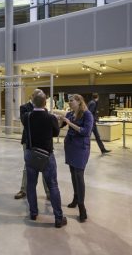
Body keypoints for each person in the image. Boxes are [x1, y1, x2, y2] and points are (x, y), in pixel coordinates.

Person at [23, 91, 67, 228]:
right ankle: (58, 218)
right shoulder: (51, 118)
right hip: (47, 155)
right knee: (53, 185)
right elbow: (55, 133)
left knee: (31, 185)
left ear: (33, 102)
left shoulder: (27, 116)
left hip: (31, 154)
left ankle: (33, 213)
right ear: (45, 103)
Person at [61, 94, 93, 223]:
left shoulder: (87, 114)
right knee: (73, 174)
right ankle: (75, 198)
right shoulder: (69, 114)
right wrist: (58, 119)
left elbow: (86, 132)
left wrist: (70, 123)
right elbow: (60, 126)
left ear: (79, 102)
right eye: (69, 101)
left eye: (71, 101)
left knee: (79, 175)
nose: (69, 103)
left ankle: (82, 207)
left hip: (81, 148)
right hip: (70, 146)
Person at [15, 89, 50, 200]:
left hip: (41, 141)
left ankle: (49, 192)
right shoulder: (24, 107)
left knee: (45, 166)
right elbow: (25, 122)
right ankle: (24, 189)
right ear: (32, 96)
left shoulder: (44, 109)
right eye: (38, 95)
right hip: (28, 141)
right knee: (28, 166)